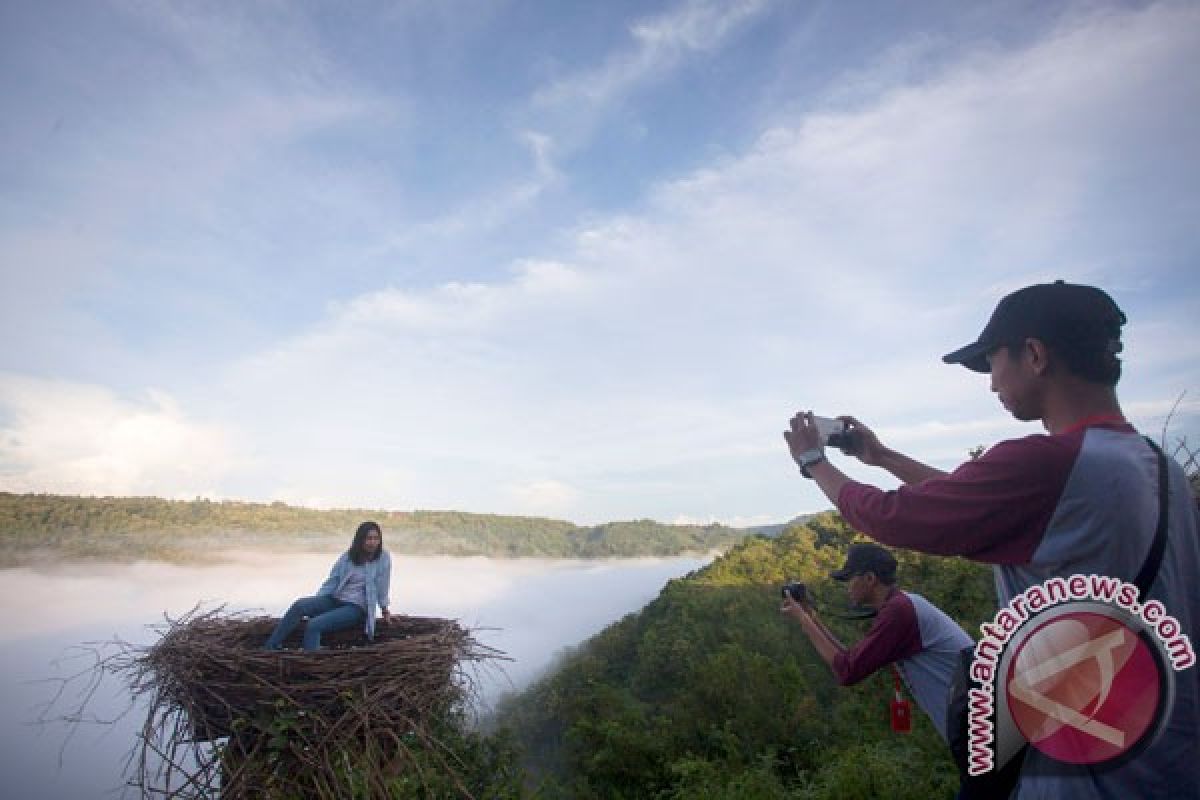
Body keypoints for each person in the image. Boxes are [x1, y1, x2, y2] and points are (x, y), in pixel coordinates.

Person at [783, 280, 1200, 798]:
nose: (990, 384)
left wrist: (813, 462)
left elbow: (888, 516)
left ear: (1034, 354)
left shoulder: (1046, 464)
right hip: (1169, 759)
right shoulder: (1160, 470)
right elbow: (979, 498)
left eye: (991, 362)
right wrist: (884, 457)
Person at [781, 542, 973, 742]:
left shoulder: (898, 611)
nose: (847, 588)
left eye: (850, 579)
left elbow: (848, 671)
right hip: (975, 717)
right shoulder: (903, 603)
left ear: (870, 578)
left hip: (975, 726)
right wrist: (811, 618)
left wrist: (802, 620)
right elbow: (849, 658)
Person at [264, 521, 392, 651]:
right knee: (299, 605)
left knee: (314, 625)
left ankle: (310, 662)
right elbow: (333, 580)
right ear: (360, 539)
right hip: (335, 599)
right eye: (368, 538)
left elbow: (383, 585)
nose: (372, 543)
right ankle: (271, 647)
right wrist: (318, 602)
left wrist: (384, 610)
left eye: (376, 538)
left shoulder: (383, 558)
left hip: (356, 608)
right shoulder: (348, 556)